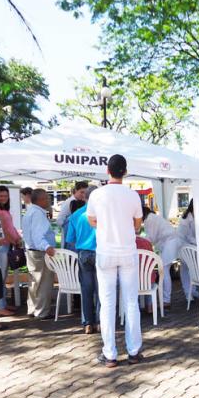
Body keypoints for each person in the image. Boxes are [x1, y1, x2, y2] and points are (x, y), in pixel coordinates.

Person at [86, 154, 143, 368]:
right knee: (131, 302)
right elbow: (137, 225)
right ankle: (134, 351)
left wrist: (104, 223)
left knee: (107, 304)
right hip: (127, 251)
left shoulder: (97, 195)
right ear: (125, 172)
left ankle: (109, 354)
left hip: (106, 252)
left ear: (107, 171)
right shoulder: (133, 195)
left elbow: (91, 219)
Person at [67, 186, 99, 334]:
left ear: (84, 197)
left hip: (83, 253)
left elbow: (70, 240)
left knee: (86, 289)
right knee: (101, 290)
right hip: (99, 252)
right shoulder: (101, 214)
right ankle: (100, 321)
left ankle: (87, 323)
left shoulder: (75, 215)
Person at [21, 188, 56, 319]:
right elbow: (38, 236)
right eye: (47, 198)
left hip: (32, 251)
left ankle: (33, 308)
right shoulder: (38, 214)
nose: (48, 200)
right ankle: (41, 311)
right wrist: (47, 247)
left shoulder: (31, 211)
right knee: (44, 282)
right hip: (40, 252)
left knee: (34, 282)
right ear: (41, 199)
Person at [0, 185, 23, 316]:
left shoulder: (3, 209)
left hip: (7, 245)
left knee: (3, 277)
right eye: (1, 196)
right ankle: (0, 307)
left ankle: (2, 304)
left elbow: (10, 227)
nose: (4, 198)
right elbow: (2, 230)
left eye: (6, 195)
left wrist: (17, 238)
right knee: (0, 277)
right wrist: (15, 240)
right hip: (1, 246)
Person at [142, 207, 181, 308]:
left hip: (170, 242)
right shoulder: (153, 217)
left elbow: (151, 238)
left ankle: (166, 300)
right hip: (169, 242)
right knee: (164, 270)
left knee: (163, 270)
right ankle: (165, 299)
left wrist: (141, 240)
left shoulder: (149, 219)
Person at [57, 181, 88, 248]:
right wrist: (70, 223)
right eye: (81, 192)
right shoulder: (69, 203)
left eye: (85, 193)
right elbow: (59, 220)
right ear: (76, 190)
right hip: (70, 239)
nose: (83, 195)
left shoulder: (84, 202)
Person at [177, 200, 197, 301]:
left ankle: (192, 291)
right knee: (186, 270)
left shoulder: (193, 216)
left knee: (190, 269)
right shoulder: (186, 219)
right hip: (184, 246)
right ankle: (188, 293)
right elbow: (189, 237)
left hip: (189, 246)